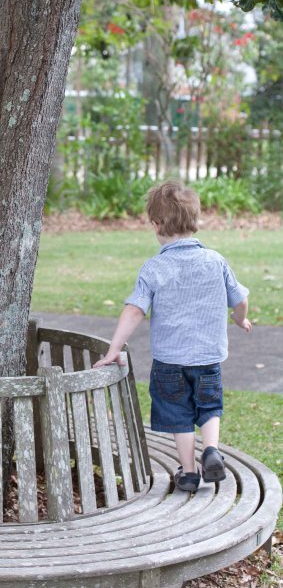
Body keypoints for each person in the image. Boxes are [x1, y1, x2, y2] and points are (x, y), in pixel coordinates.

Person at [94, 180, 251, 493]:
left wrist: (114, 348)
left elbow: (134, 310)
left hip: (169, 362)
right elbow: (240, 299)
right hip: (208, 357)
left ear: (156, 224)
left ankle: (189, 473)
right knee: (209, 406)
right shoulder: (215, 261)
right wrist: (239, 318)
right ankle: (211, 449)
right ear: (195, 220)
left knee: (179, 414)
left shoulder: (154, 268)